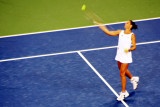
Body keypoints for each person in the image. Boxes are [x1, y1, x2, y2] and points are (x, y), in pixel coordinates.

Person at [95, 20, 139, 101]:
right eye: (126, 23)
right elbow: (109, 33)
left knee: (122, 73)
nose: (125, 24)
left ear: (130, 26)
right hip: (119, 55)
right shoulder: (120, 32)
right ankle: (133, 79)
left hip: (126, 56)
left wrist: (129, 49)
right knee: (123, 71)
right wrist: (101, 26)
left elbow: (134, 47)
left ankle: (123, 93)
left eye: (127, 23)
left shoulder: (132, 35)